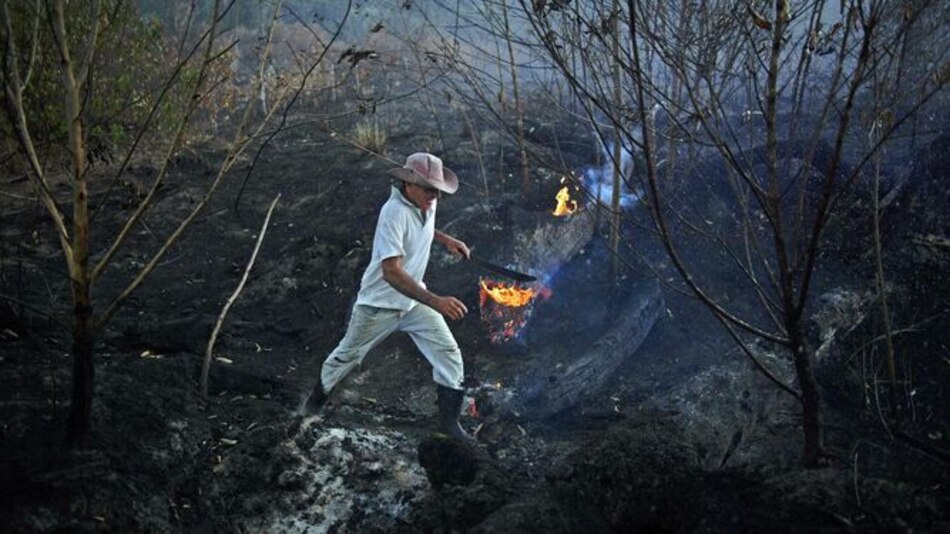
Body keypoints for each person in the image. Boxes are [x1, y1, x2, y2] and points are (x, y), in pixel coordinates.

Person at [304, 152, 475, 444]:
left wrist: (447, 240)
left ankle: (449, 425)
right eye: (429, 189)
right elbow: (391, 273)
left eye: (437, 191)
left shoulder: (427, 202)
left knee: (448, 353)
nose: (434, 197)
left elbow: (424, 224)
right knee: (346, 357)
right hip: (379, 305)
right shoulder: (393, 213)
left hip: (413, 302)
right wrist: (435, 301)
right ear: (408, 185)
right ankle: (309, 411)